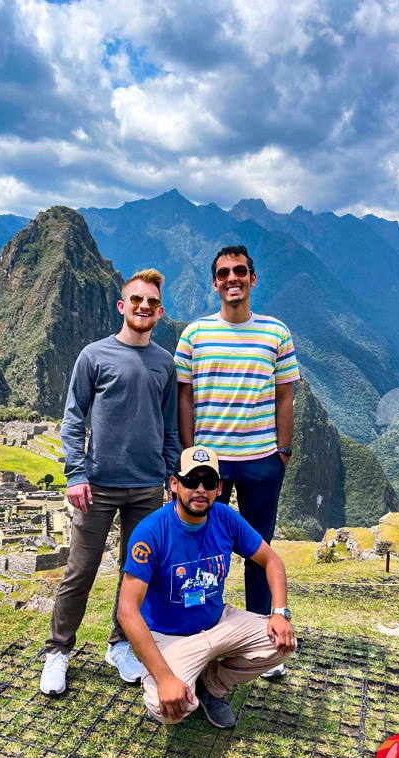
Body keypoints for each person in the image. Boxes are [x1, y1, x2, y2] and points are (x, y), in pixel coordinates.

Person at [40, 269, 181, 695]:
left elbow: (170, 426)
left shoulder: (164, 362)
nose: (143, 306)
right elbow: (73, 418)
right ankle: (58, 651)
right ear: (122, 305)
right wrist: (76, 473)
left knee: (134, 573)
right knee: (79, 572)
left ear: (159, 311)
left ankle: (120, 645)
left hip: (147, 486)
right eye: (136, 299)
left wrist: (171, 473)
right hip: (98, 486)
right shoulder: (94, 356)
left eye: (151, 302)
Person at [174, 245, 300, 676]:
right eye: (225, 272)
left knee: (258, 550)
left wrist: (283, 452)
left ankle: (263, 636)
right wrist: (190, 456)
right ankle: (199, 631)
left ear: (252, 278)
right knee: (201, 550)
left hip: (261, 460)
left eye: (240, 271)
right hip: (209, 465)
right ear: (215, 283)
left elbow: (285, 396)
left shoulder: (276, 332)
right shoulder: (195, 334)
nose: (233, 278)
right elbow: (185, 398)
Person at [117, 446, 295, 727]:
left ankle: (209, 686)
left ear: (218, 488)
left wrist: (280, 613)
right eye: (191, 480)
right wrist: (165, 678)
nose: (200, 489)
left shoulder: (225, 517)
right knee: (165, 710)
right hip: (168, 635)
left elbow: (271, 560)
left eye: (209, 482)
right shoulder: (151, 532)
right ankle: (180, 675)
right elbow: (127, 611)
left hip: (217, 622)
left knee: (281, 643)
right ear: (174, 484)